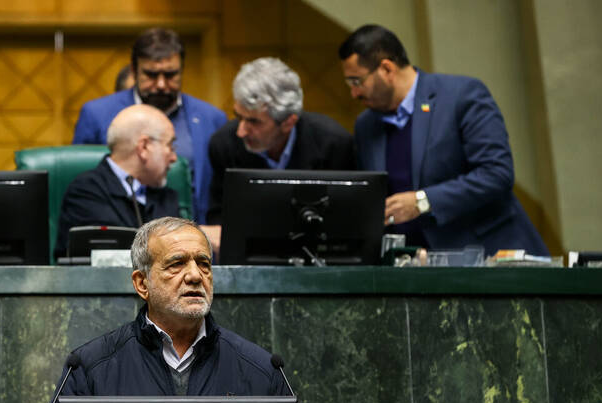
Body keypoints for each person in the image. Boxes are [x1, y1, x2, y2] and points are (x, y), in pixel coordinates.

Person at [35, 217, 317, 403]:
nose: (195, 275)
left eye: (204, 264)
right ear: (142, 283)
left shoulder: (261, 369)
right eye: (176, 264)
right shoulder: (90, 368)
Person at [339, 24, 548, 256]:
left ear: (387, 69)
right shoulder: (366, 125)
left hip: (488, 256)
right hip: (414, 266)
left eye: (357, 82)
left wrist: (423, 201)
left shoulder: (462, 96)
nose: (354, 93)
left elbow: (496, 173)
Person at [72, 28, 226, 224]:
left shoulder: (211, 118)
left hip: (194, 229)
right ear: (134, 71)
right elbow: (86, 182)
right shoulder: (97, 115)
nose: (161, 84)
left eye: (170, 75)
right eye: (151, 75)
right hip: (123, 227)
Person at [206, 57, 355, 225]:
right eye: (239, 117)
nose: (241, 132)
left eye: (253, 121)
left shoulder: (333, 145)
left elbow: (347, 216)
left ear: (288, 123)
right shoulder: (223, 144)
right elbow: (219, 215)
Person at [54, 104, 180, 258]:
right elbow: (109, 255)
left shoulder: (167, 195)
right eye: (170, 146)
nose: (174, 158)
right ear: (144, 147)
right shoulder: (85, 192)